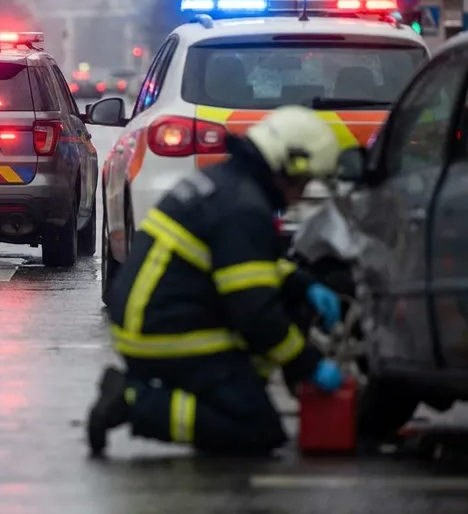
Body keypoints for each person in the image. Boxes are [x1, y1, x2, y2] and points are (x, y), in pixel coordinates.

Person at [88, 105, 347, 458]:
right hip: (161, 332)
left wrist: (301, 284)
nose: (301, 194)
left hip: (154, 317)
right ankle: (133, 402)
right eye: (302, 182)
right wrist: (309, 364)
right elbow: (256, 315)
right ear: (286, 167)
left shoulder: (228, 183)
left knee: (284, 309)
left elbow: (243, 265)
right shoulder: (243, 207)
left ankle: (236, 387)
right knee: (257, 430)